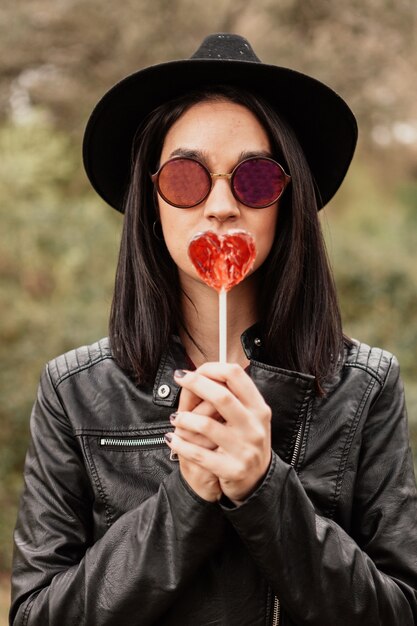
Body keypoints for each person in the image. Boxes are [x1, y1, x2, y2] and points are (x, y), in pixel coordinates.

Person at [10, 33, 417, 626]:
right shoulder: (73, 392)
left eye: (252, 179)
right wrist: (186, 498)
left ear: (287, 199)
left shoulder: (364, 388)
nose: (221, 205)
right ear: (152, 201)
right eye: (185, 178)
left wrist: (264, 488)